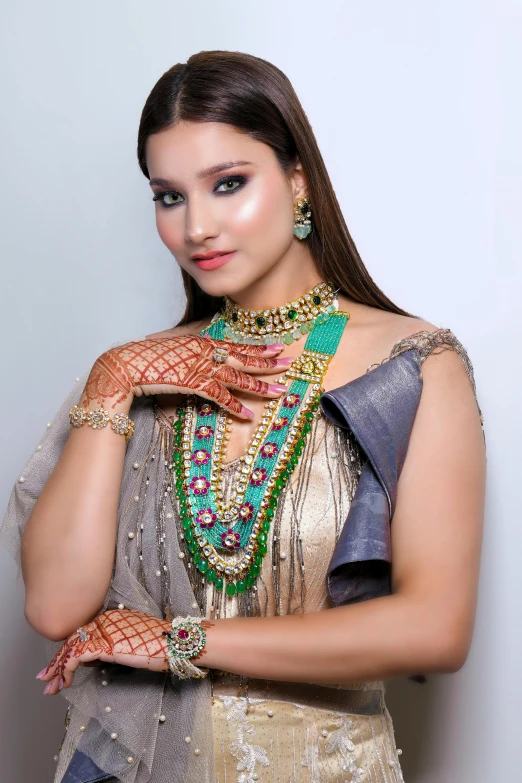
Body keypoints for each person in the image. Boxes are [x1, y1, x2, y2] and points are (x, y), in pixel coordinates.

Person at [0, 50, 486, 783]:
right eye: (169, 196)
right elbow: (55, 602)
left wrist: (180, 641)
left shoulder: (413, 365)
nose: (197, 226)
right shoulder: (140, 371)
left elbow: (434, 627)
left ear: (297, 181)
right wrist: (114, 379)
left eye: (228, 184)